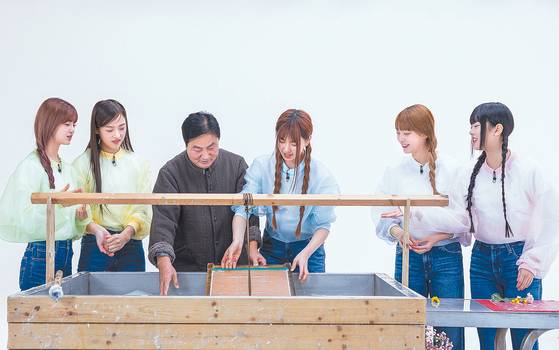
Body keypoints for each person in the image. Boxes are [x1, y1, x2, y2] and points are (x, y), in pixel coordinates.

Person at [372, 104, 467, 350]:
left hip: (446, 255)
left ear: (424, 133)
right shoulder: (394, 171)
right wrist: (398, 233)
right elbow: (379, 213)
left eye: (407, 133)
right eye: (398, 133)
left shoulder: (453, 168)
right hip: (408, 254)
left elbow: (464, 220)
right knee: (406, 323)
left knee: (449, 325)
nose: (400, 139)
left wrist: (436, 237)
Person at [148, 111, 260, 295]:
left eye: (211, 147)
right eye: (196, 149)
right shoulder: (170, 173)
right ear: (186, 144)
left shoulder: (237, 165)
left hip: (232, 267)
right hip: (188, 269)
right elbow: (164, 220)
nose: (205, 155)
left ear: (218, 140)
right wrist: (163, 261)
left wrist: (252, 247)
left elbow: (250, 213)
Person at [223, 109, 339, 281]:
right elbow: (242, 208)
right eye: (281, 141)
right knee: (269, 303)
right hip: (272, 246)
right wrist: (238, 240)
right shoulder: (262, 165)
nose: (286, 149)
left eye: (294, 143)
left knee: (310, 304)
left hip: (309, 248)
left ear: (308, 140)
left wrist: (305, 254)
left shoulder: (321, 174)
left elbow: (324, 225)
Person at [0, 97, 88, 290]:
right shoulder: (30, 167)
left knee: (63, 318)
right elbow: (23, 218)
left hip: (65, 251)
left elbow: (71, 222)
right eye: (67, 124)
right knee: (37, 316)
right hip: (41, 253)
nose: (72, 129)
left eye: (74, 124)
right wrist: (57, 203)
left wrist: (80, 215)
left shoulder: (67, 168)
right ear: (49, 124)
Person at [73, 99, 151, 272]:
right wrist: (96, 230)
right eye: (110, 129)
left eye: (122, 128)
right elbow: (76, 212)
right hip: (95, 244)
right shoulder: (82, 164)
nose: (117, 135)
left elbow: (143, 208)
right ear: (96, 129)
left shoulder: (139, 163)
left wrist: (127, 234)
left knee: (134, 297)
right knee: (92, 299)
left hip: (130, 244)